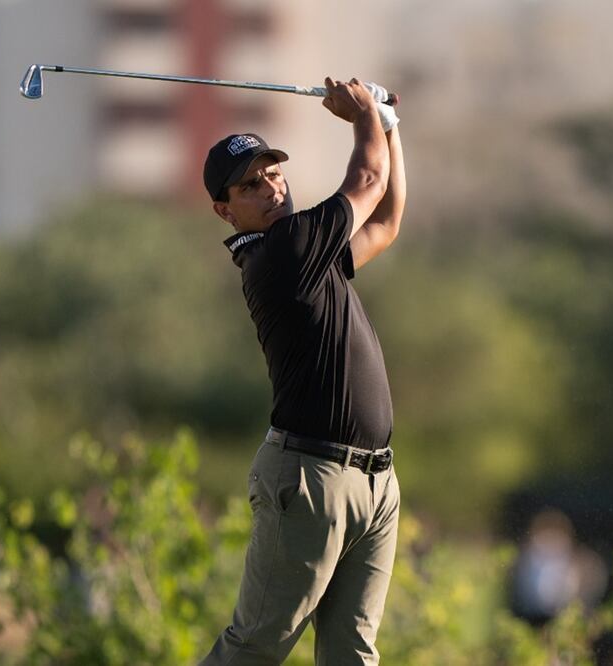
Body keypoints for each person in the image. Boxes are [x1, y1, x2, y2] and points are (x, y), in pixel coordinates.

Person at [198, 76, 406, 666]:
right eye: (249, 184)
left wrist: (389, 126)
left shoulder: (308, 253)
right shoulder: (281, 252)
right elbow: (366, 181)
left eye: (272, 173)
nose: (269, 187)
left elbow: (386, 222)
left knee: (352, 656)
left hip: (373, 484)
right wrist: (365, 112)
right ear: (224, 209)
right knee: (258, 647)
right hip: (310, 479)